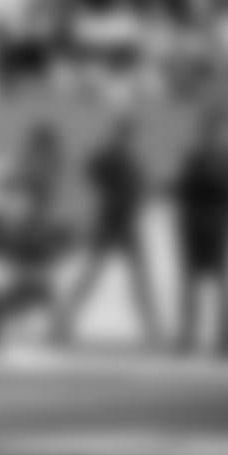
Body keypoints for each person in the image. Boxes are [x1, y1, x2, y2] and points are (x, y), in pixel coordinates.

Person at [54, 115, 164, 346]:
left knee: (137, 280)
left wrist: (137, 195)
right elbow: (89, 171)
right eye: (126, 133)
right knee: (92, 277)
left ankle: (152, 330)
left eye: (130, 134)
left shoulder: (130, 159)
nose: (128, 138)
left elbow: (141, 187)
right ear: (119, 133)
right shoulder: (109, 157)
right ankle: (63, 323)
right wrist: (109, 195)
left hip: (127, 225)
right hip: (111, 223)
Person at [0, 122, 69, 349]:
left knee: (32, 286)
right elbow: (18, 187)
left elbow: (19, 186)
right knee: (31, 286)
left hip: (32, 236)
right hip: (30, 236)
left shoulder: (40, 168)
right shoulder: (43, 168)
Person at [172, 107, 228, 357]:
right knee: (194, 285)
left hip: (216, 227)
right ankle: (191, 338)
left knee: (222, 284)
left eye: (215, 129)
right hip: (198, 227)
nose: (211, 134)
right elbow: (183, 194)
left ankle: (227, 340)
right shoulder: (195, 158)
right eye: (208, 129)